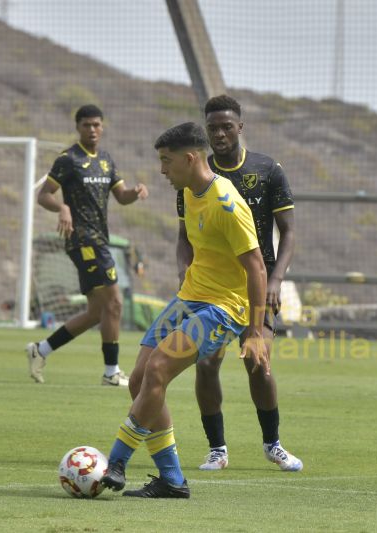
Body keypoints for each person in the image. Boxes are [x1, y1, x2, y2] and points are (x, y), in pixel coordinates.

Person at [100, 122, 268, 498]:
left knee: (159, 368)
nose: (162, 170)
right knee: (139, 380)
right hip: (189, 298)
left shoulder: (227, 203)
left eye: (166, 161)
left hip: (223, 309)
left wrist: (255, 332)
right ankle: (172, 480)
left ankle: (115, 462)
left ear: (190, 158)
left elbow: (256, 266)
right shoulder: (189, 193)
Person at [175, 94, 302, 472]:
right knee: (206, 364)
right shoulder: (195, 174)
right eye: (212, 127)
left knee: (258, 364)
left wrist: (276, 278)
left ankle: (273, 444)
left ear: (240, 127)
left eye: (226, 126)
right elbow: (183, 236)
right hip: (211, 290)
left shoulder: (267, 170)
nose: (219, 134)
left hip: (256, 285)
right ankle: (217, 449)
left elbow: (290, 232)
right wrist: (184, 270)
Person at [27, 104, 148, 385]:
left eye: (96, 125)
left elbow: (121, 196)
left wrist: (136, 191)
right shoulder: (68, 159)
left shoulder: (106, 160)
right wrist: (62, 208)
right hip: (82, 240)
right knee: (115, 302)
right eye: (86, 125)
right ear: (78, 127)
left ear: (102, 127)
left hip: (99, 240)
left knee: (96, 312)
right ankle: (111, 373)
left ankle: (40, 350)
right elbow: (44, 195)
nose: (92, 130)